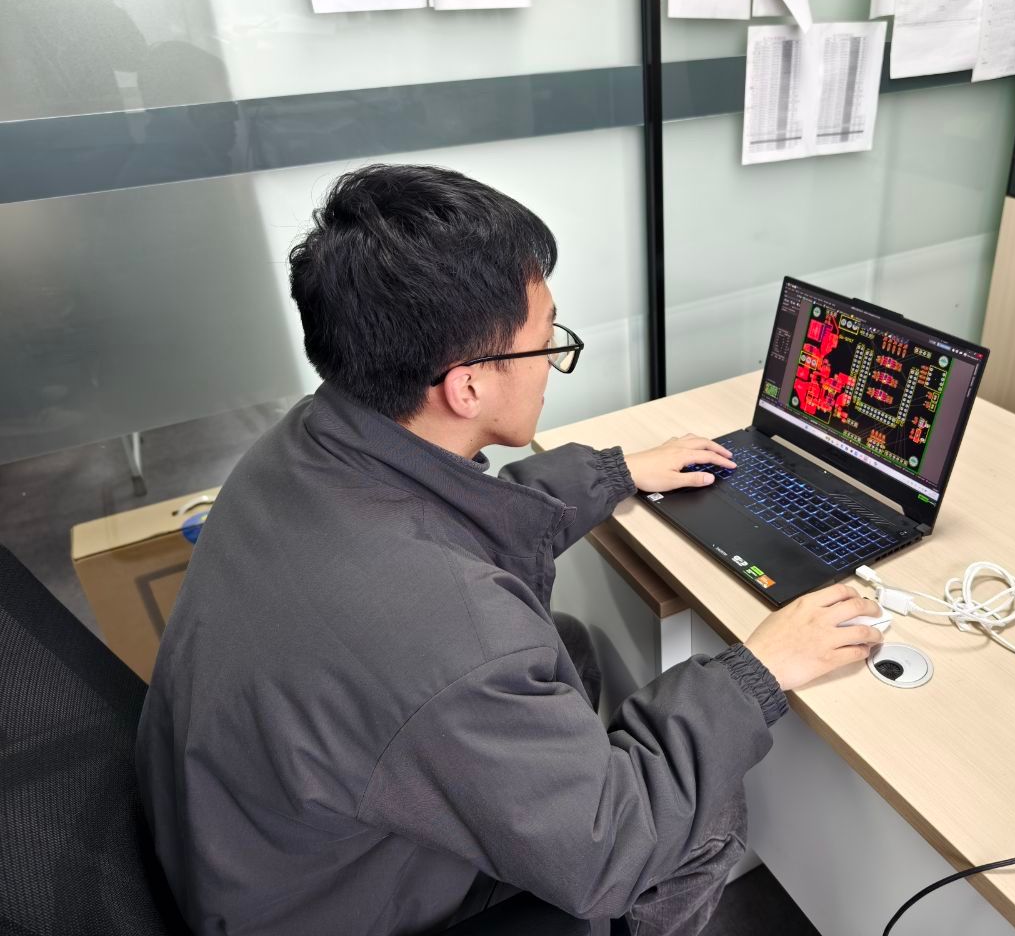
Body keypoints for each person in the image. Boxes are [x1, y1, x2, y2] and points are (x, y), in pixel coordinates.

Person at [136, 164, 883, 936]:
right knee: (702, 816)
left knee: (569, 647)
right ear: (467, 388)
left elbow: (451, 516)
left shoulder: (307, 441)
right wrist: (758, 671)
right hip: (330, 908)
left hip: (252, 844)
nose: (553, 359)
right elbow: (611, 846)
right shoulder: (446, 637)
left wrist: (615, 473)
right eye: (546, 341)